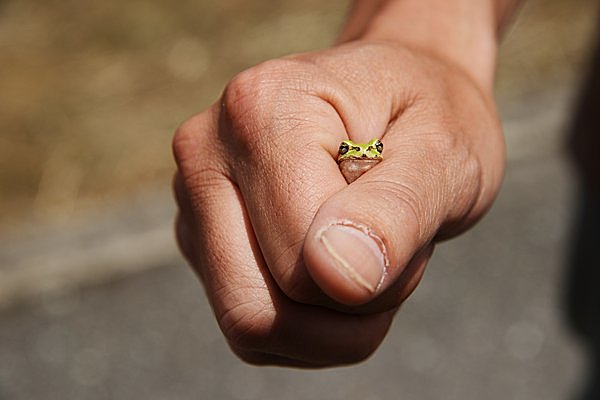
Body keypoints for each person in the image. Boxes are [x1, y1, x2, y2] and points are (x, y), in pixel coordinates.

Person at [172, 0, 523, 367]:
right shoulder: (347, 156)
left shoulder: (372, 157)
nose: (363, 155)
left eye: (372, 151)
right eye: (351, 151)